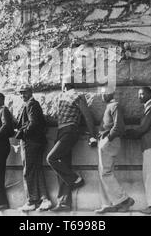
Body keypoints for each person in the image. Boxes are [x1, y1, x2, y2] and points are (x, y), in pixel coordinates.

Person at [47, 80, 97, 212]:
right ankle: (64, 203)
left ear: (64, 85)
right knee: (63, 167)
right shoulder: (61, 97)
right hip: (62, 132)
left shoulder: (76, 95)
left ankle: (76, 179)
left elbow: (87, 116)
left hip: (69, 131)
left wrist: (93, 135)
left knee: (51, 158)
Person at [95, 88, 135, 214]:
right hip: (106, 140)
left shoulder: (115, 106)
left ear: (109, 93)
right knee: (103, 172)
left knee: (105, 172)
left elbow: (119, 127)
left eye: (102, 93)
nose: (101, 95)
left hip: (110, 142)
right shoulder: (110, 106)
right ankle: (109, 203)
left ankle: (124, 199)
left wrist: (107, 139)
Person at [15, 84, 52, 212]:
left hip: (30, 142)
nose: (22, 95)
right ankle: (44, 199)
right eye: (20, 93)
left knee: (28, 171)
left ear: (31, 92)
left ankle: (31, 201)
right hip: (36, 142)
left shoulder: (31, 104)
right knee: (36, 170)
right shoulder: (31, 104)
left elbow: (33, 123)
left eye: (24, 92)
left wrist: (21, 133)